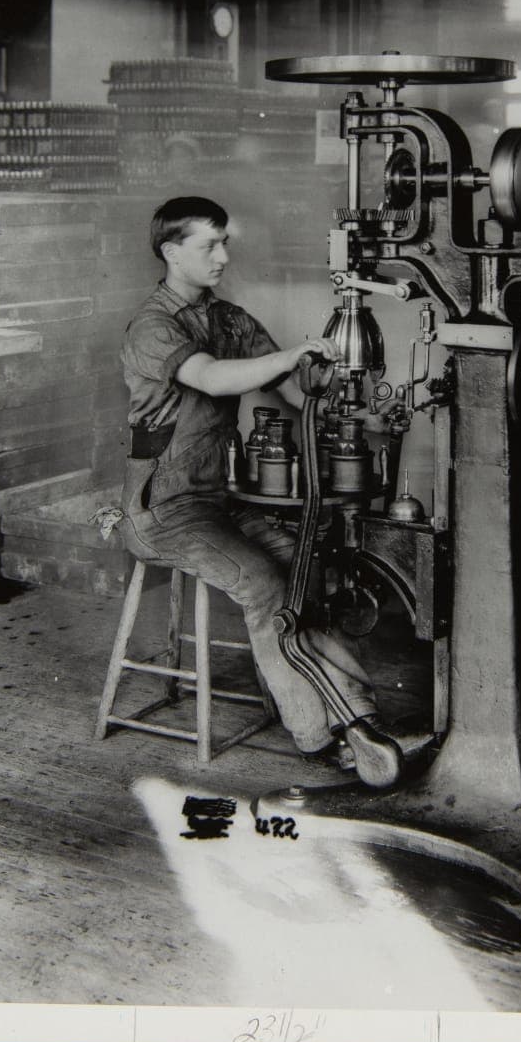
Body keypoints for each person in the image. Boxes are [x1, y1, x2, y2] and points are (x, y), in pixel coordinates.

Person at [119, 196, 391, 778]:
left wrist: (354, 411)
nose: (223, 255)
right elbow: (214, 378)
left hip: (217, 504)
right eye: (208, 245)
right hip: (163, 512)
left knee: (303, 566)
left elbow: (290, 392)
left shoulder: (229, 320)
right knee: (265, 585)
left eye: (225, 243)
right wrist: (292, 355)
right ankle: (319, 735)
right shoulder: (152, 327)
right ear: (171, 252)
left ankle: (361, 720)